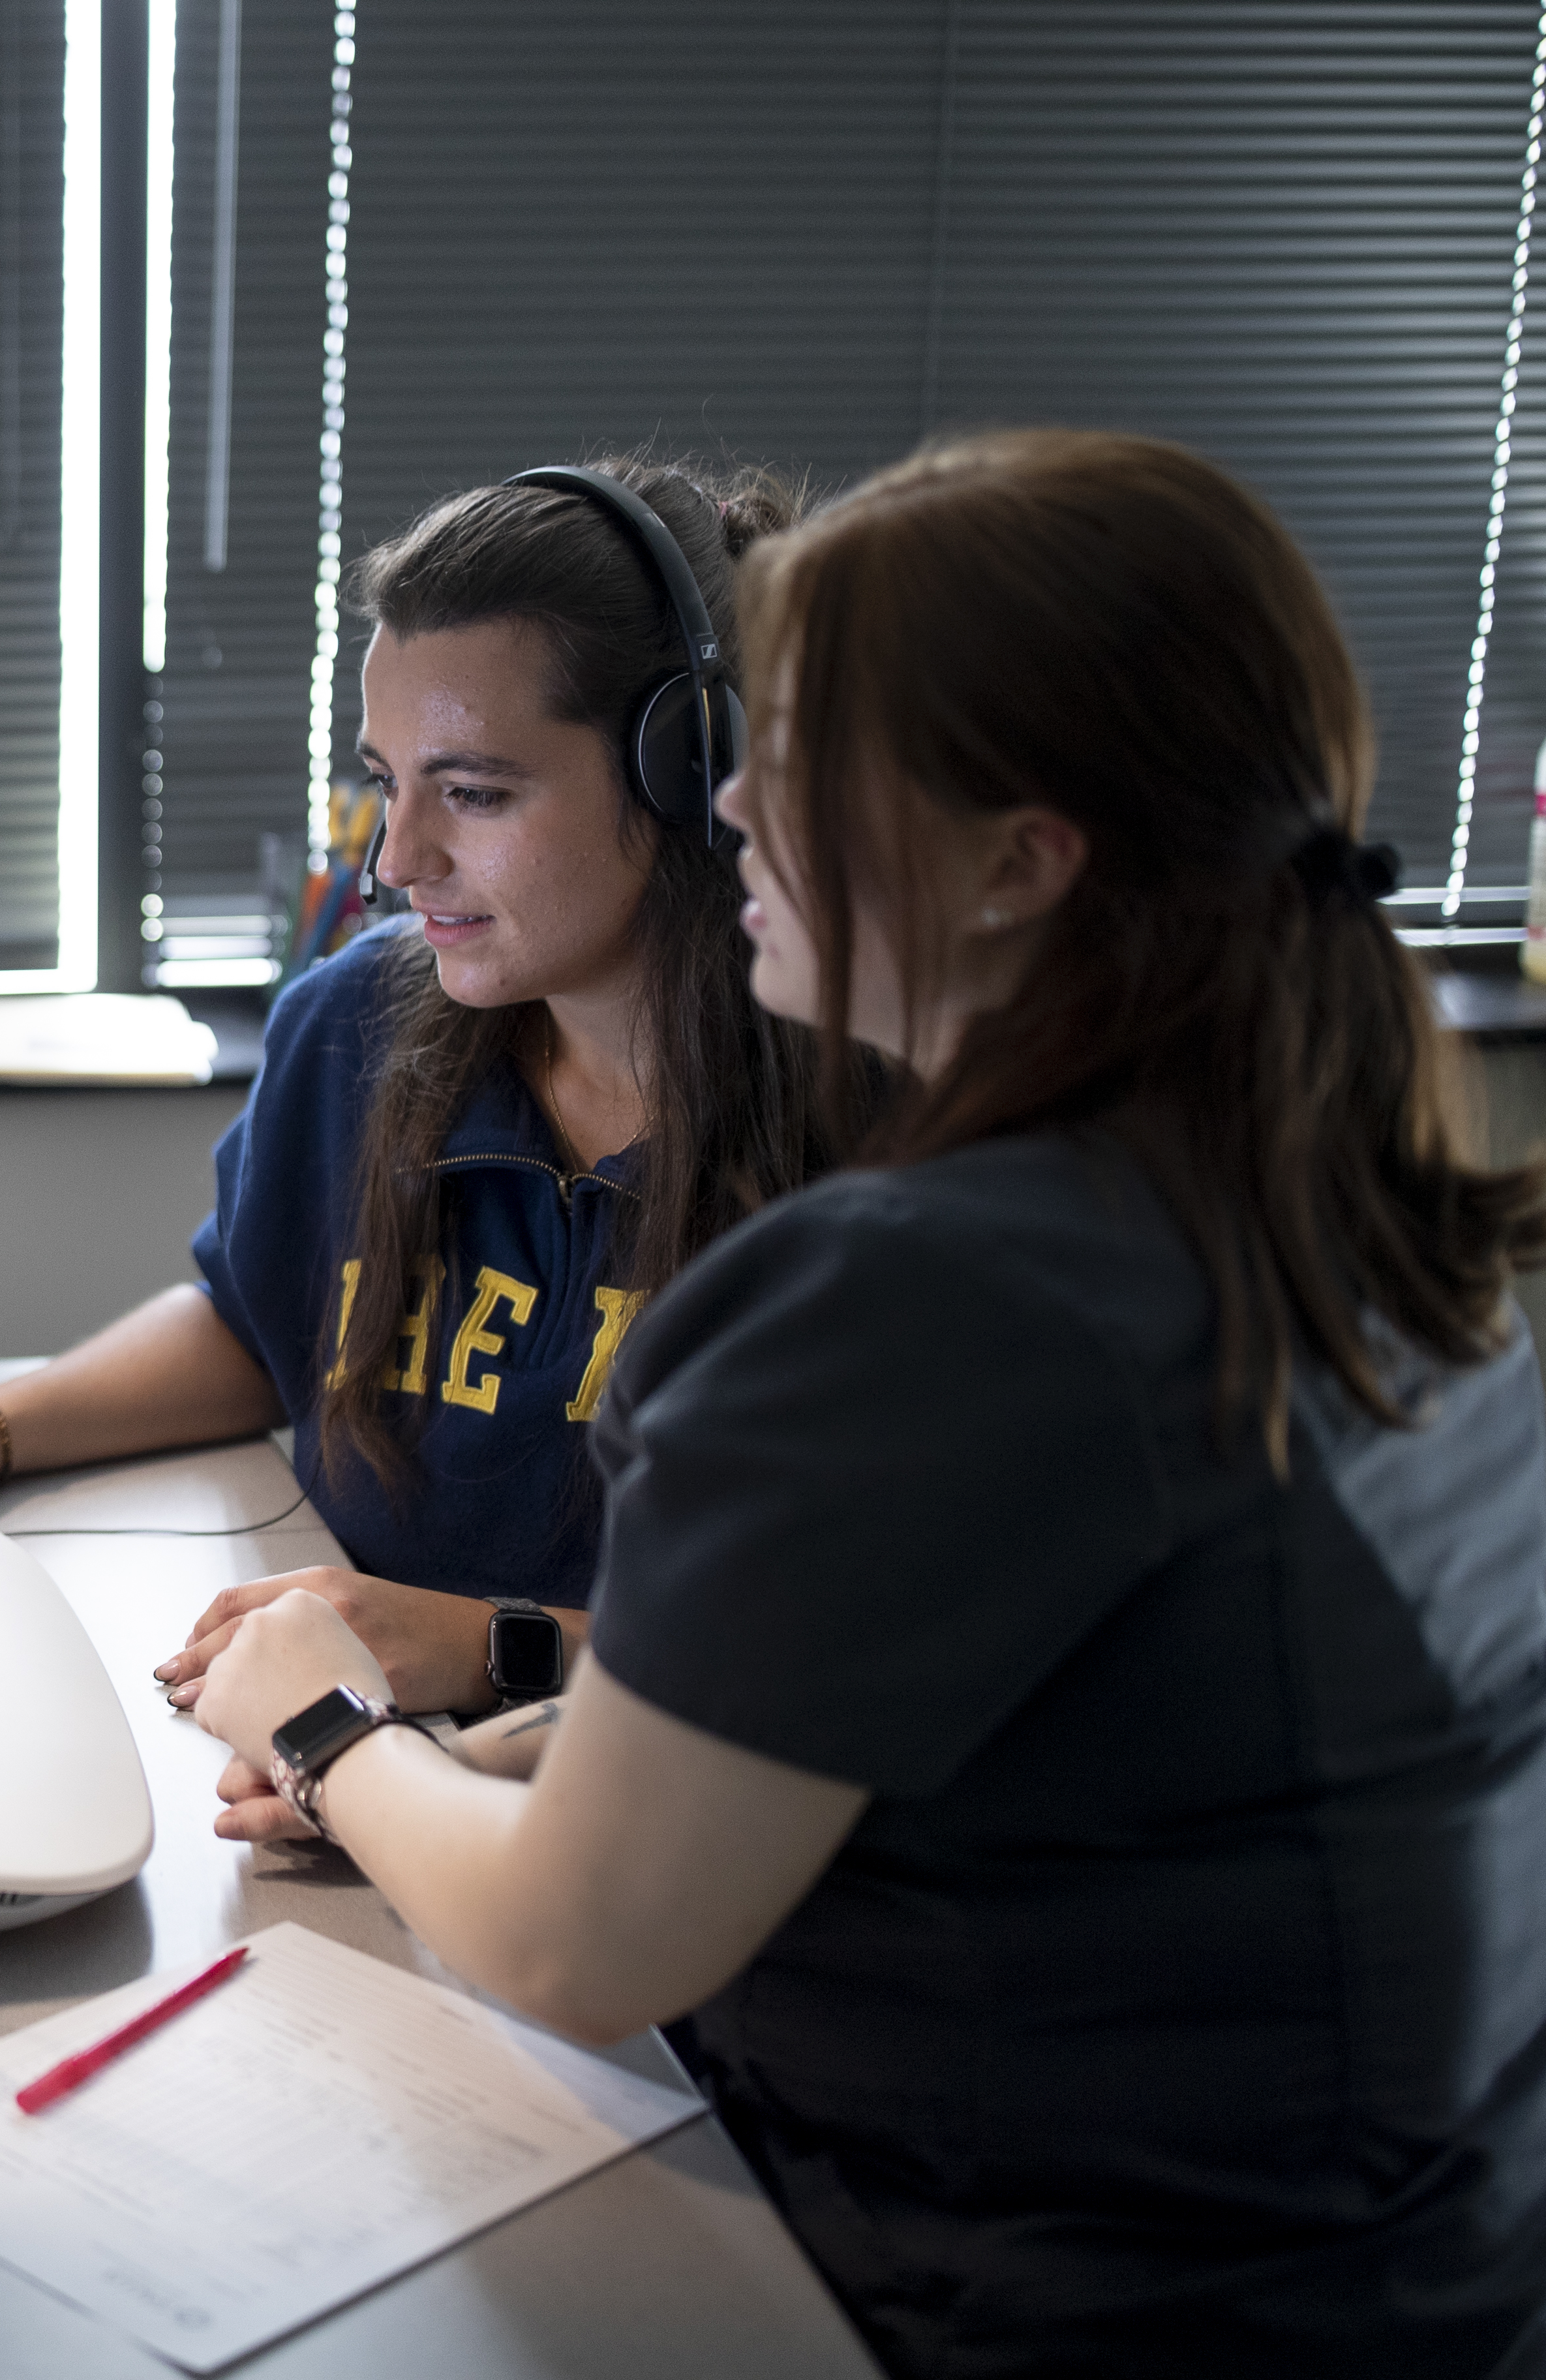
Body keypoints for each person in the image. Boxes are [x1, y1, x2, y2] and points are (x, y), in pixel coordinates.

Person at [193, 429, 1546, 2374]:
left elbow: (582, 1954)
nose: (730, 806)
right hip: (1392, 2287)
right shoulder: (1330, 1211)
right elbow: (1033, 1739)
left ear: (1021, 861)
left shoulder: (936, 1294)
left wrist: (318, 1720)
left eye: (798, 755)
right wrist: (505, 1759)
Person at [0, 456, 860, 1713]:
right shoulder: (360, 1023)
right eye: (388, 783)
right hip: (339, 1732)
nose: (398, 860)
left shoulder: (877, 1139)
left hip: (645, 1805)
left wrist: (494, 1645)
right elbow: (258, 1322)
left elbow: (861, 1656)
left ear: (690, 767)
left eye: (477, 792)